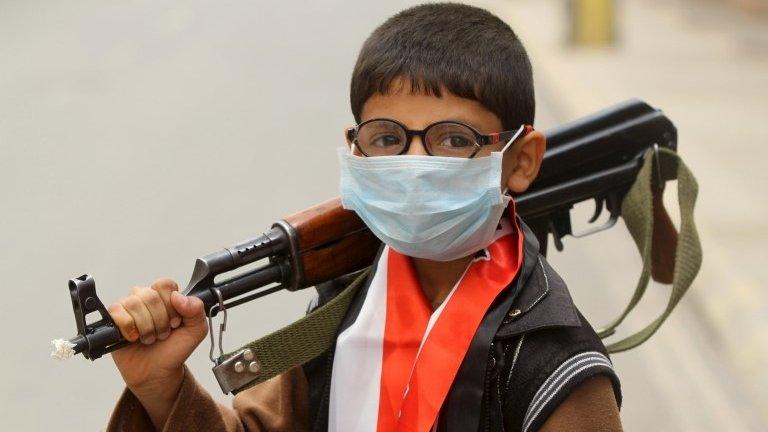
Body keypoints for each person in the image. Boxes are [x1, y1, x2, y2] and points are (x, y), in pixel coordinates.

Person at [106, 3, 623, 431]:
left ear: (522, 159)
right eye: (387, 139)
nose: (415, 166)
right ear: (355, 151)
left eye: (454, 140)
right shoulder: (345, 306)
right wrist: (162, 385)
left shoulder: (553, 366)